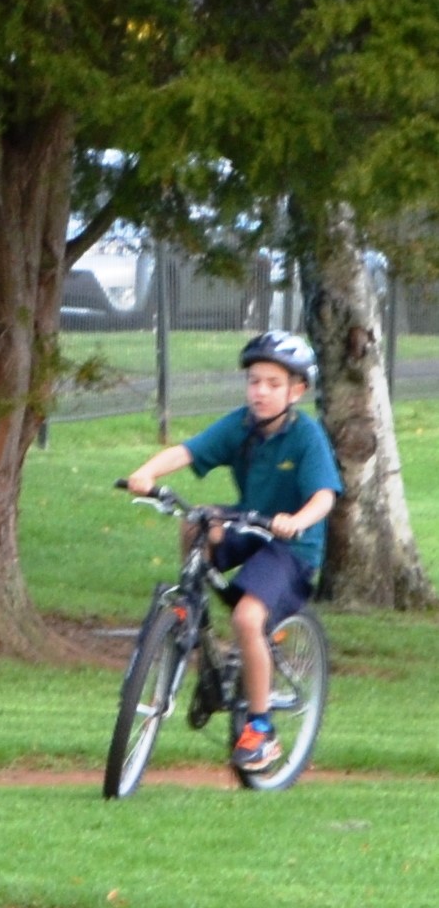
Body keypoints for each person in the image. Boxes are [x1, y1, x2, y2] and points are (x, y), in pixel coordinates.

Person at [124, 330, 341, 773]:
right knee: (197, 523)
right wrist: (144, 473)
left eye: (273, 384)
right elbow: (189, 450)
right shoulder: (241, 425)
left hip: (292, 545)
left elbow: (325, 495)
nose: (260, 392)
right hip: (250, 520)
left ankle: (260, 731)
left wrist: (297, 520)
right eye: (254, 381)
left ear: (296, 391)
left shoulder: (306, 436)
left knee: (247, 618)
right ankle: (194, 624)